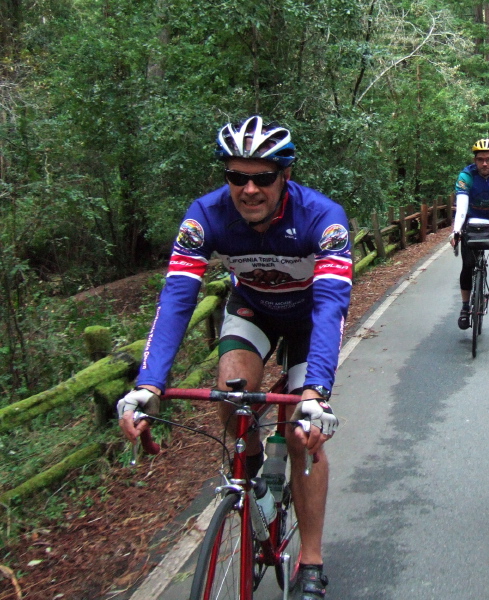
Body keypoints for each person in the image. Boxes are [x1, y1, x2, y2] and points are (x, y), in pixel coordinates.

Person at [116, 115, 352, 599]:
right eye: (236, 176)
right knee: (231, 388)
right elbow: (177, 296)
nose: (248, 188)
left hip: (309, 321)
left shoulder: (322, 218)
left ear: (284, 175)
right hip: (254, 310)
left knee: (303, 432)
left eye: (262, 176)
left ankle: (310, 559)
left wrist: (316, 393)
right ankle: (252, 471)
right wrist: (149, 382)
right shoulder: (204, 215)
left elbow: (331, 305)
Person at [449, 138, 489, 329]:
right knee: (468, 264)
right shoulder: (466, 176)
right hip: (471, 217)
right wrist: (456, 231)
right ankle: (464, 307)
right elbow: (461, 206)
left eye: (488, 159)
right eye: (480, 159)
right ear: (474, 160)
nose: (484, 163)